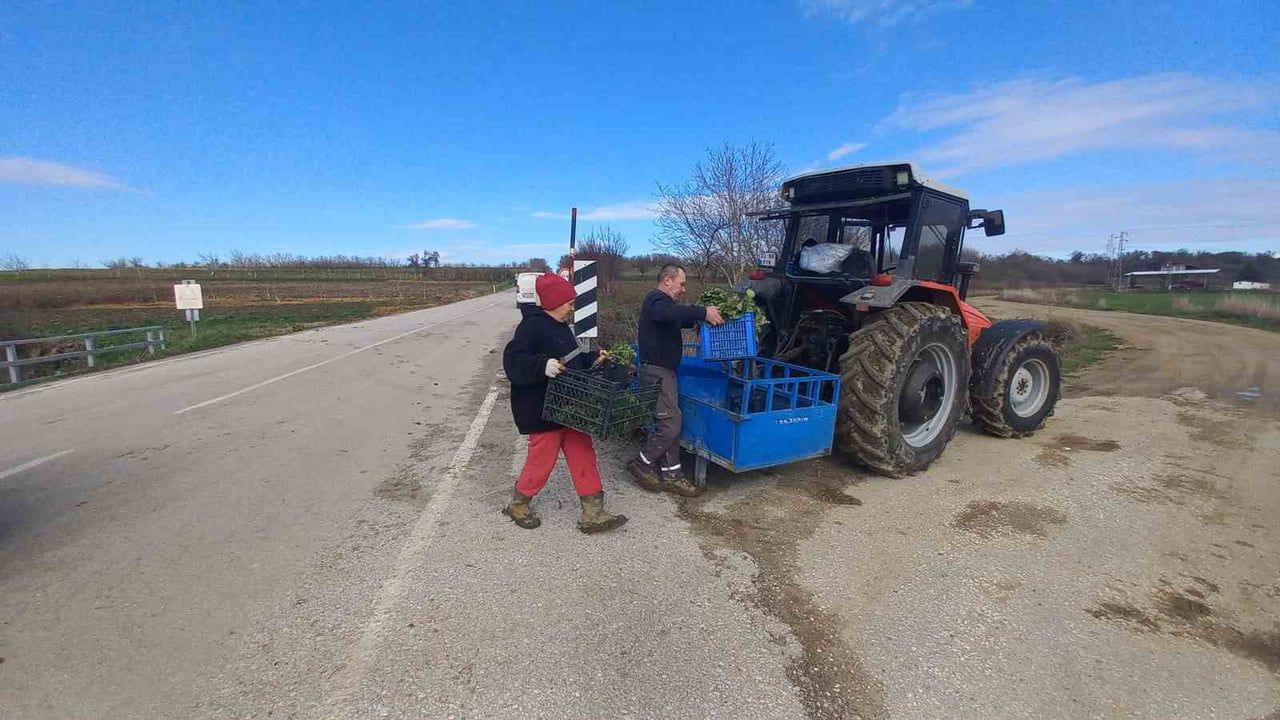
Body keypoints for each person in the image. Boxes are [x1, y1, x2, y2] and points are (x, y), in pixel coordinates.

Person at [501, 272, 627, 534]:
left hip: (567, 407)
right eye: (569, 301)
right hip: (541, 410)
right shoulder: (531, 327)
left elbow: (574, 359)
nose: (572, 306)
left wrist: (594, 358)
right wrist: (541, 366)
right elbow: (513, 361)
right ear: (554, 301)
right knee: (542, 460)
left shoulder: (562, 329)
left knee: (583, 453)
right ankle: (519, 503)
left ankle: (593, 513)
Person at [628, 264, 724, 496]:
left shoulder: (665, 306)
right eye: (681, 283)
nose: (683, 289)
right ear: (667, 280)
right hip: (657, 372)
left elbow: (676, 318)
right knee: (671, 423)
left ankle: (672, 474)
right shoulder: (656, 300)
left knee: (672, 421)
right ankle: (642, 462)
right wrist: (702, 312)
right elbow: (666, 314)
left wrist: (697, 322)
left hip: (665, 371)